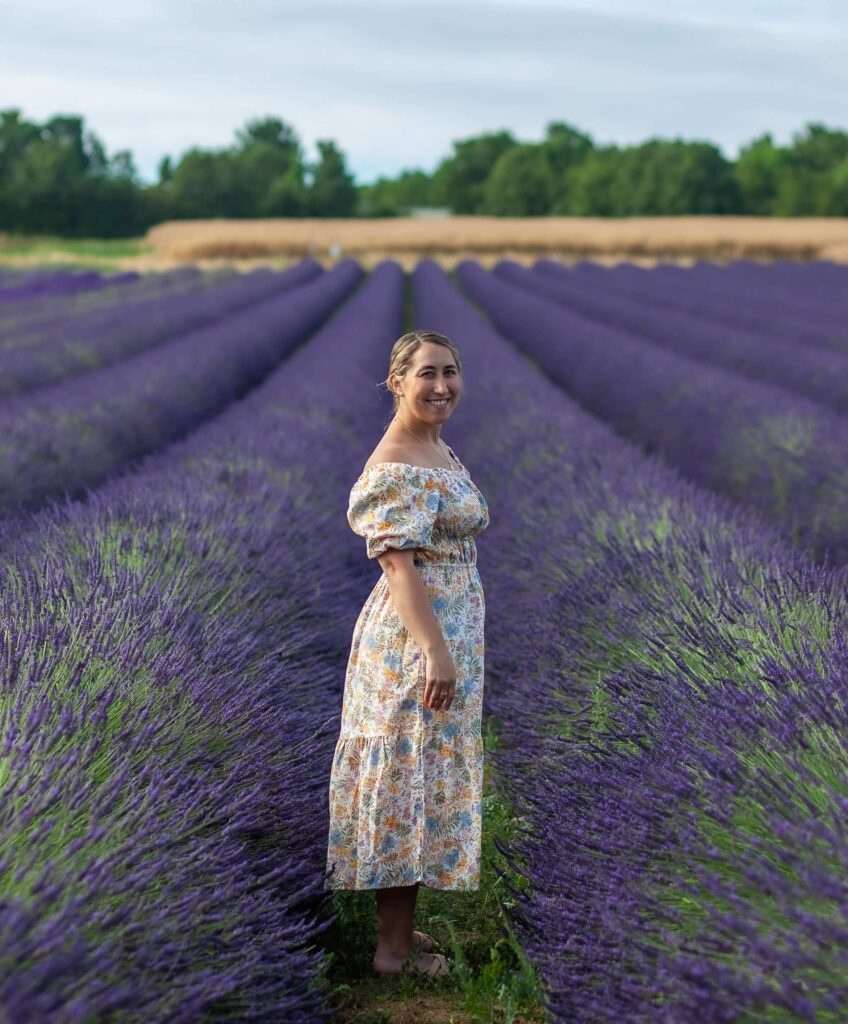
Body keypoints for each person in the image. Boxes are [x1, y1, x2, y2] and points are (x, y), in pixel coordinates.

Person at [324, 330, 490, 979]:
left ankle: (400, 928)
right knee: (402, 781)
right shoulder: (395, 463)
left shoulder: (436, 447)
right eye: (426, 374)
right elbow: (398, 567)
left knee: (421, 776)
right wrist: (434, 653)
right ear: (396, 382)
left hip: (444, 634)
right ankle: (390, 954)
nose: (441, 385)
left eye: (450, 372)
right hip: (413, 642)